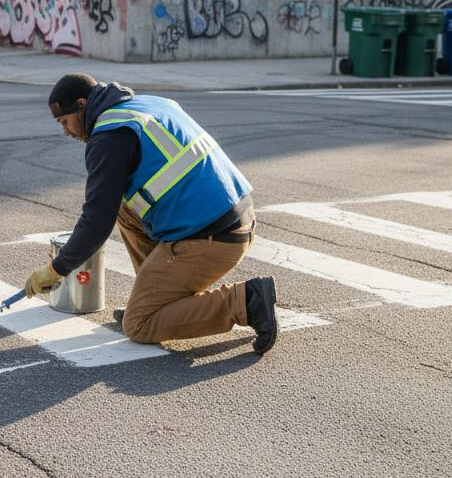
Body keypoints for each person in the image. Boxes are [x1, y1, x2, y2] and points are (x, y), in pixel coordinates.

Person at [27, 73, 278, 356]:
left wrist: (55, 269)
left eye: (65, 122)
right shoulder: (147, 105)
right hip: (238, 216)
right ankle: (157, 295)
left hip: (215, 237)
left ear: (82, 105)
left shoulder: (108, 137)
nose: (67, 132)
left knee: (138, 325)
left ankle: (246, 301)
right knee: (123, 208)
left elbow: (95, 223)